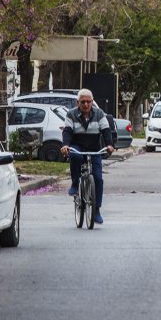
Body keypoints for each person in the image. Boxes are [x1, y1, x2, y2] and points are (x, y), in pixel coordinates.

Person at [60, 88, 115, 223]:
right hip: (77, 146)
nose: (86, 105)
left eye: (88, 102)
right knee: (75, 156)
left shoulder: (99, 114)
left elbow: (106, 131)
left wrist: (109, 145)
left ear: (92, 102)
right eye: (83, 102)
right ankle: (74, 183)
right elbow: (67, 131)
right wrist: (66, 145)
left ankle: (96, 210)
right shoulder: (71, 114)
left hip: (94, 148)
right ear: (77, 102)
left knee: (98, 178)